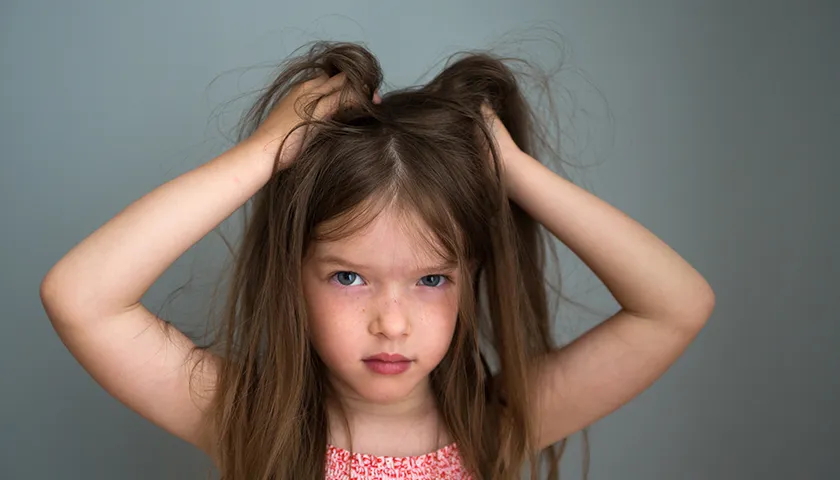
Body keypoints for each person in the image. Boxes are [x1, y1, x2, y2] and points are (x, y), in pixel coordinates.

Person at [39, 42, 715, 479]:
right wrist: (263, 156)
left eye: (430, 279)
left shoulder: (497, 424)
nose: (391, 323)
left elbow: (677, 306)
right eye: (349, 276)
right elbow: (81, 297)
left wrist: (512, 171)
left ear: (468, 277)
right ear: (293, 277)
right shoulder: (250, 420)